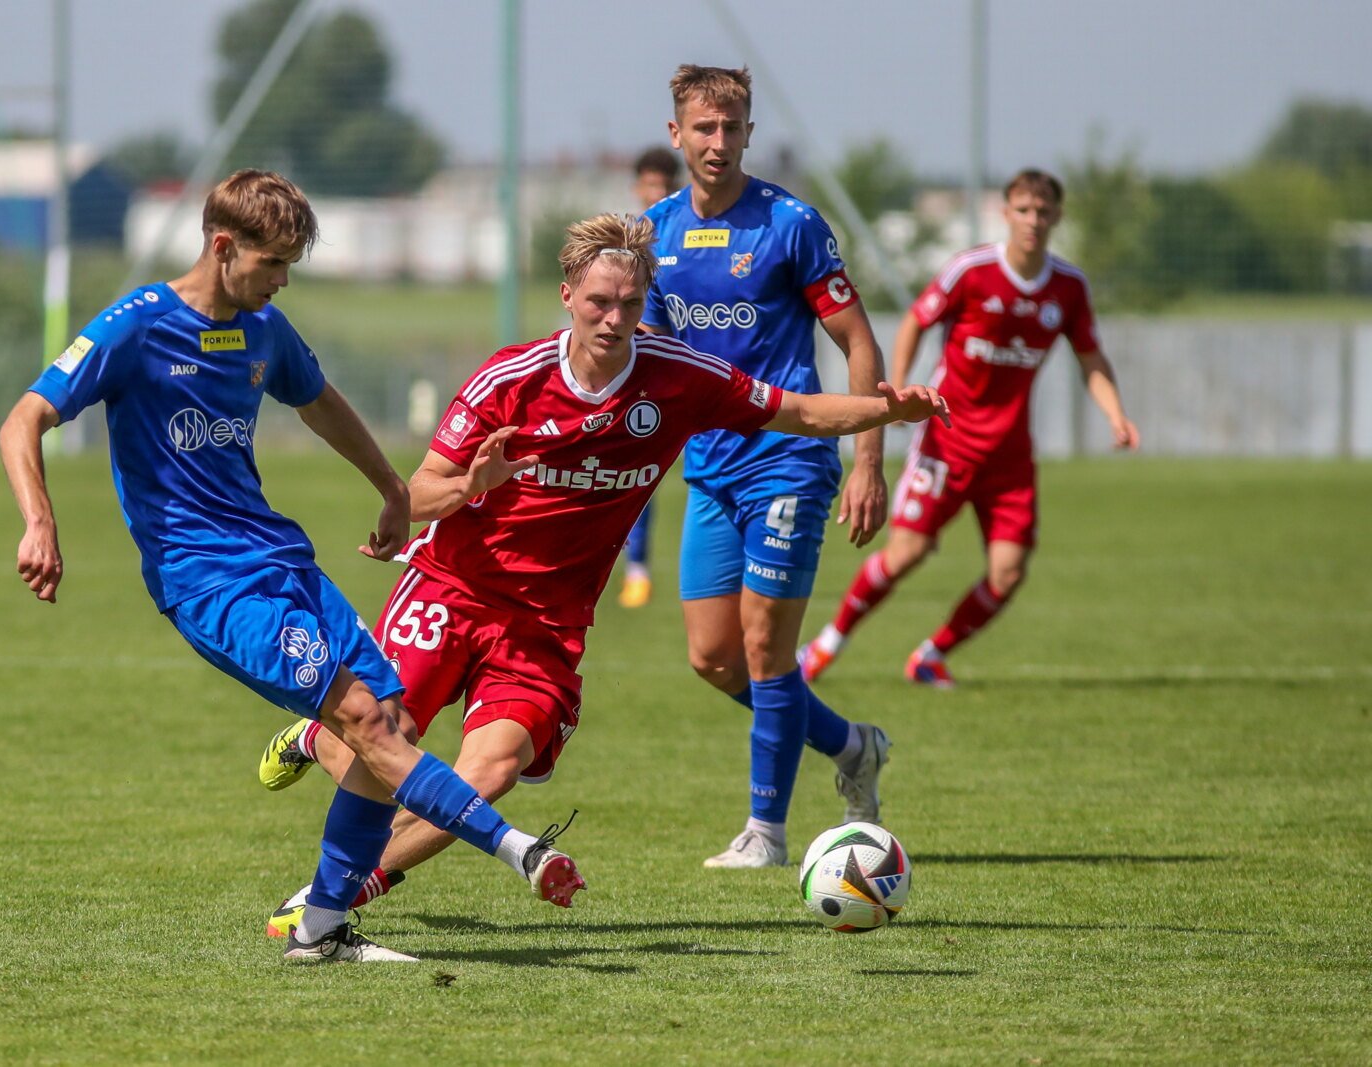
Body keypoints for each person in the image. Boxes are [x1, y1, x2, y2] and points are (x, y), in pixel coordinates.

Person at [258, 212, 949, 935]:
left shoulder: (681, 378)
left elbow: (798, 409)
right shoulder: (511, 378)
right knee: (379, 741)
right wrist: (477, 482)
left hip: (548, 625)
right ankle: (318, 741)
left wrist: (883, 411)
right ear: (567, 297)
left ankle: (342, 892)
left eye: (629, 303)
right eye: (598, 302)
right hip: (452, 588)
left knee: (489, 773)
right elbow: (415, 491)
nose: (614, 318)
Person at [0, 169, 584, 966]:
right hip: (208, 580)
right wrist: (40, 520)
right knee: (370, 725)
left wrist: (389, 487)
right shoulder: (133, 326)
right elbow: (24, 418)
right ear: (221, 245)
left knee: (395, 720)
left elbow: (319, 400)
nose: (280, 282)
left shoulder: (263, 330)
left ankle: (322, 930)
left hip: (280, 558)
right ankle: (519, 852)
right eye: (272, 264)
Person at [641, 65, 894, 869]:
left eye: (733, 126)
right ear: (677, 134)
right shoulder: (654, 234)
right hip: (710, 469)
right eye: (703, 128)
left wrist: (867, 462)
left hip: (790, 458)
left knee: (763, 649)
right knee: (711, 657)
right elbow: (647, 361)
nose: (719, 142)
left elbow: (858, 342)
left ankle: (767, 831)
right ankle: (851, 746)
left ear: (749, 132)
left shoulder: (792, 224)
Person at [799, 169, 1139, 688]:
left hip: (1010, 456)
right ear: (1006, 213)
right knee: (906, 552)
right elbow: (916, 320)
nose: (1033, 221)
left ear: (1056, 217)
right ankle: (825, 646)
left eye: (1043, 212)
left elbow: (1091, 357)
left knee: (1009, 572)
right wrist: (901, 384)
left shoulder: (1068, 288)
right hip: (947, 441)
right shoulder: (972, 270)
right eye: (1023, 210)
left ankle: (931, 655)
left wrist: (1115, 414)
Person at [618, 145, 684, 609]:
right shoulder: (625, 245)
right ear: (639, 188)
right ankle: (635, 569)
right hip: (643, 380)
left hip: (690, 376)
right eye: (650, 184)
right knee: (632, 472)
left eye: (664, 184)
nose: (656, 192)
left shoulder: (687, 236)